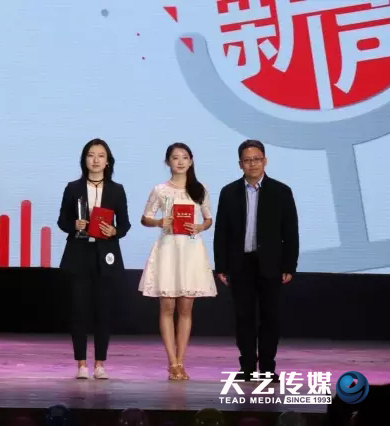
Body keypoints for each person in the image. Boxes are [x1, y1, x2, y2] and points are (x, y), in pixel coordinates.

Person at [213, 139, 299, 382]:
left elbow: (290, 232)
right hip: (240, 264)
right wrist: (221, 266)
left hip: (271, 264)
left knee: (270, 317)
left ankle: (268, 368)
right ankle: (248, 367)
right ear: (240, 164)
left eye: (257, 159)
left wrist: (289, 265)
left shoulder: (281, 191)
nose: (252, 164)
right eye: (247, 160)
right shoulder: (229, 192)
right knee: (244, 318)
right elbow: (221, 232)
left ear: (265, 161)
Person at [138, 142, 217, 380]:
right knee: (167, 307)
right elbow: (145, 218)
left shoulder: (200, 189)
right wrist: (159, 222)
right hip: (168, 249)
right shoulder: (160, 190)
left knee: (185, 309)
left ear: (191, 161)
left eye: (184, 157)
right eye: (175, 157)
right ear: (168, 162)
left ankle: (181, 361)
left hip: (190, 250)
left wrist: (200, 226)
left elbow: (208, 219)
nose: (180, 162)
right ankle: (172, 363)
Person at [57, 138, 131, 379]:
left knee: (103, 311)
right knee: (79, 310)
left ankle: (100, 364)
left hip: (105, 255)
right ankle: (81, 364)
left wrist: (114, 231)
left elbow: (125, 224)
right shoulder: (73, 188)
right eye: (91, 155)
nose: (96, 160)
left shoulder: (116, 189)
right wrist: (74, 225)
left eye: (101, 155)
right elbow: (62, 221)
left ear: (108, 161)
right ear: (84, 160)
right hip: (79, 254)